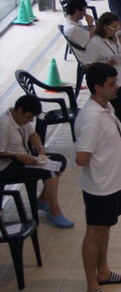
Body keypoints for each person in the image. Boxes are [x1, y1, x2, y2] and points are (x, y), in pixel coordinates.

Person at [75, 63, 121, 292]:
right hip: (99, 186)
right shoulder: (91, 118)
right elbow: (82, 157)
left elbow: (103, 141)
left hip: (111, 182)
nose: (117, 87)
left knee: (105, 229)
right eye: (112, 84)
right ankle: (92, 287)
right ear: (98, 87)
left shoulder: (105, 106)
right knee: (95, 232)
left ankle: (103, 271)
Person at [0, 95, 73, 229]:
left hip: (23, 158)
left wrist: (41, 150)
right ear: (20, 110)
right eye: (29, 116)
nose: (31, 120)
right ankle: (54, 211)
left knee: (60, 161)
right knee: (50, 169)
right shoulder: (4, 124)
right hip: (7, 166)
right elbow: (1, 152)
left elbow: (33, 135)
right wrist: (19, 156)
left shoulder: (21, 118)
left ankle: (43, 200)